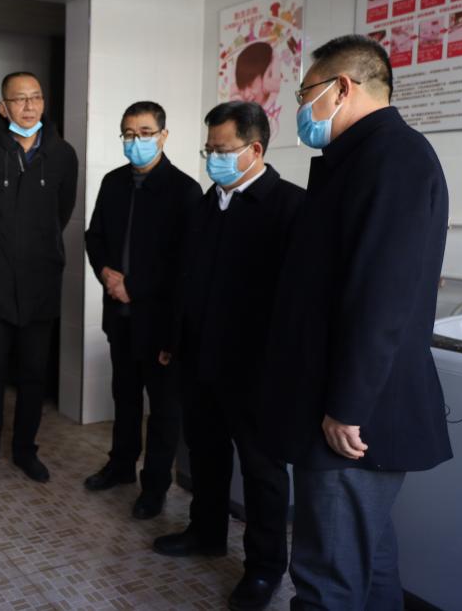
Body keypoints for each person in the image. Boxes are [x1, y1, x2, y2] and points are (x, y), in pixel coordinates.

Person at [262, 34, 451, 609]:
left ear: (341, 88)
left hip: (350, 417)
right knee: (368, 566)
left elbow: (381, 297)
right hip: (341, 404)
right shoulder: (361, 158)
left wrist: (347, 405)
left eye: (305, 93)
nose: (301, 107)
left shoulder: (393, 158)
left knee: (326, 577)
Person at [152, 101, 303, 611]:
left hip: (256, 370)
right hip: (200, 360)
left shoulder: (289, 207)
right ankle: (206, 531)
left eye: (222, 149)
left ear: (254, 149)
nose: (212, 158)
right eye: (208, 149)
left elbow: (298, 302)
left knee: (262, 472)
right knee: (206, 453)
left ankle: (263, 568)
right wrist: (173, 339)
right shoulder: (203, 206)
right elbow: (183, 280)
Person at [0, 71, 78, 490]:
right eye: (19, 99)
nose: (29, 106)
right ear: (3, 106)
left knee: (33, 376)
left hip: (41, 285)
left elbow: (62, 213)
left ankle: (26, 450)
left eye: (36, 97)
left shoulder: (63, 154)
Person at [83, 101, 200, 520]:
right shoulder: (113, 182)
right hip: (119, 317)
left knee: (164, 411)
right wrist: (106, 273)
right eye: (129, 134)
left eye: (145, 133)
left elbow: (184, 264)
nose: (137, 141)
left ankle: (154, 486)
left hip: (160, 323)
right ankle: (120, 466)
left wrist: (132, 286)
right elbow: (94, 236)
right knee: (125, 397)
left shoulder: (185, 191)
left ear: (163, 136)